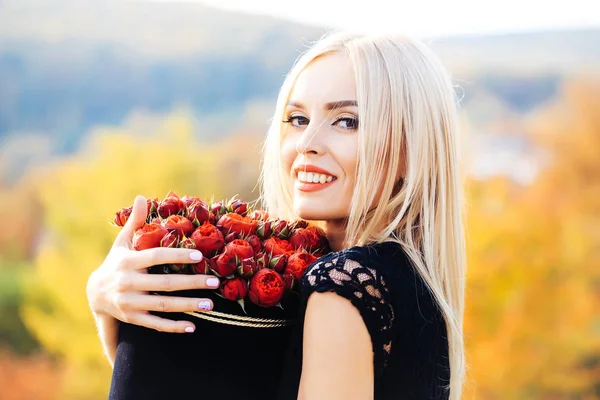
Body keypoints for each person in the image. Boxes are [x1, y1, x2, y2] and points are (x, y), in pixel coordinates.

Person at [87, 30, 466, 400]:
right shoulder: (415, 284)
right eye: (298, 119)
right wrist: (106, 306)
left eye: (347, 121)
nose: (307, 143)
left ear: (410, 150)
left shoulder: (342, 284)